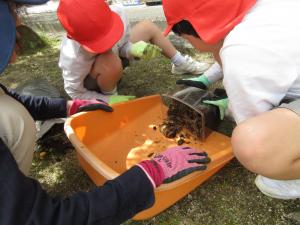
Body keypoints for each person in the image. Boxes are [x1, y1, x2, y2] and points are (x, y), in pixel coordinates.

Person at [0, 0, 211, 224]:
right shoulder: (71, 57)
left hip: (105, 66)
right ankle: (13, 188)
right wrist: (150, 173)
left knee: (13, 110)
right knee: (14, 115)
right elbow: (47, 219)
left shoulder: (118, 15)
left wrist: (68, 107)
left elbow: (11, 97)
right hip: (90, 81)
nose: (19, 21)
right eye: (12, 11)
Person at [162, 0, 300, 199]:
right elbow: (230, 47)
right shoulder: (262, 10)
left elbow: (251, 119)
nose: (187, 43)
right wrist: (205, 79)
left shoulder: (241, 50)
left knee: (254, 144)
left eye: (183, 37)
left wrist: (231, 106)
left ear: (196, 28)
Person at [57, 0, 210, 103]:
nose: (108, 43)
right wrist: (108, 101)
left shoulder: (119, 13)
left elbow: (121, 46)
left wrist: (133, 50)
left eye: (110, 34)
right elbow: (75, 93)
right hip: (94, 79)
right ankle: (110, 94)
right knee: (109, 58)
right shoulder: (72, 56)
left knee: (147, 27)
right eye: (99, 42)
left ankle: (180, 63)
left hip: (114, 62)